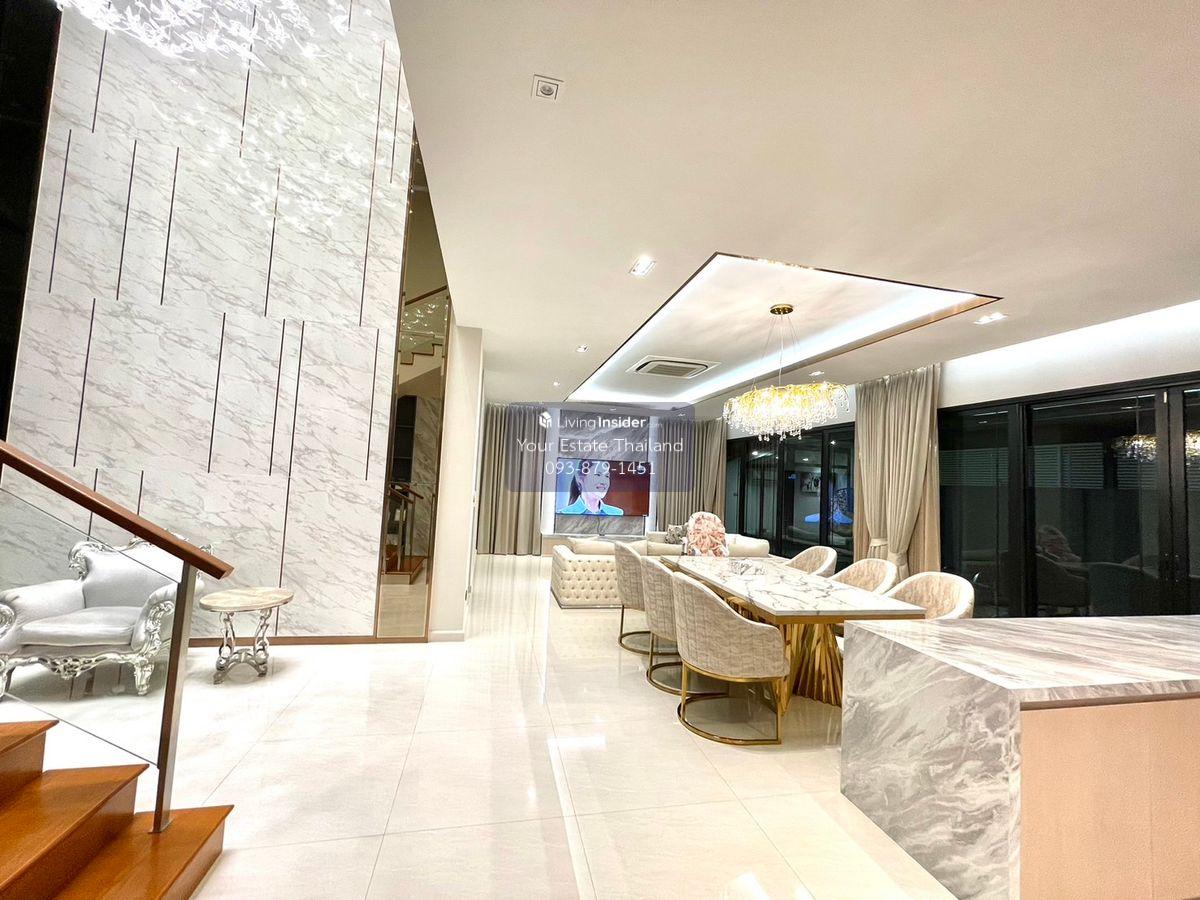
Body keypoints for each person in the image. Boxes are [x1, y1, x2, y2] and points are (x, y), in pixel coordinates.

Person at [557, 459, 624, 515]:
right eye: (598, 475)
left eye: (607, 476)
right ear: (580, 479)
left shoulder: (617, 513)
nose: (604, 482)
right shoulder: (564, 513)